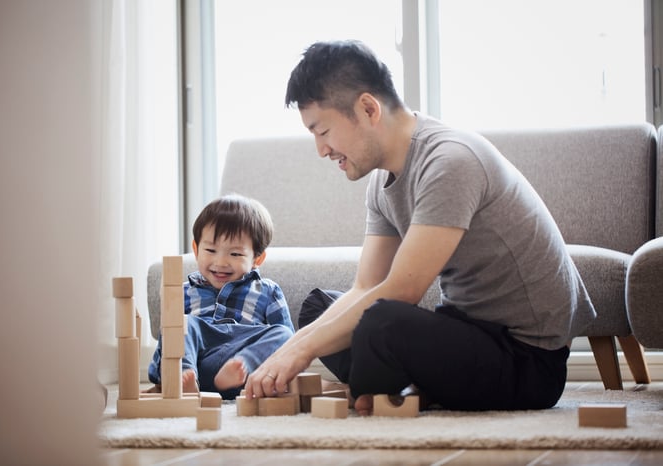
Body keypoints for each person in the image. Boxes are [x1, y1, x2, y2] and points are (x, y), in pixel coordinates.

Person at [243, 40, 596, 413]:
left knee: (381, 323)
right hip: (467, 333)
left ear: (367, 108)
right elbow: (366, 285)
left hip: (526, 360)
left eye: (323, 131)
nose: (321, 150)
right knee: (318, 307)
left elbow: (402, 290)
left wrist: (301, 350)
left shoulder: (450, 161)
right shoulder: (381, 183)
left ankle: (388, 386)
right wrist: (291, 348)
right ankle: (399, 386)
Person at [147, 194, 295, 399]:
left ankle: (242, 364)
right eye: (210, 250)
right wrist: (160, 375)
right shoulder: (183, 291)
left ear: (257, 258)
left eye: (235, 254)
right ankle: (183, 378)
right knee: (181, 323)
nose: (221, 262)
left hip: (242, 371)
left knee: (285, 334)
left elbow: (287, 346)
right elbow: (168, 338)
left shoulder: (267, 291)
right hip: (200, 365)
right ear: (196, 250)